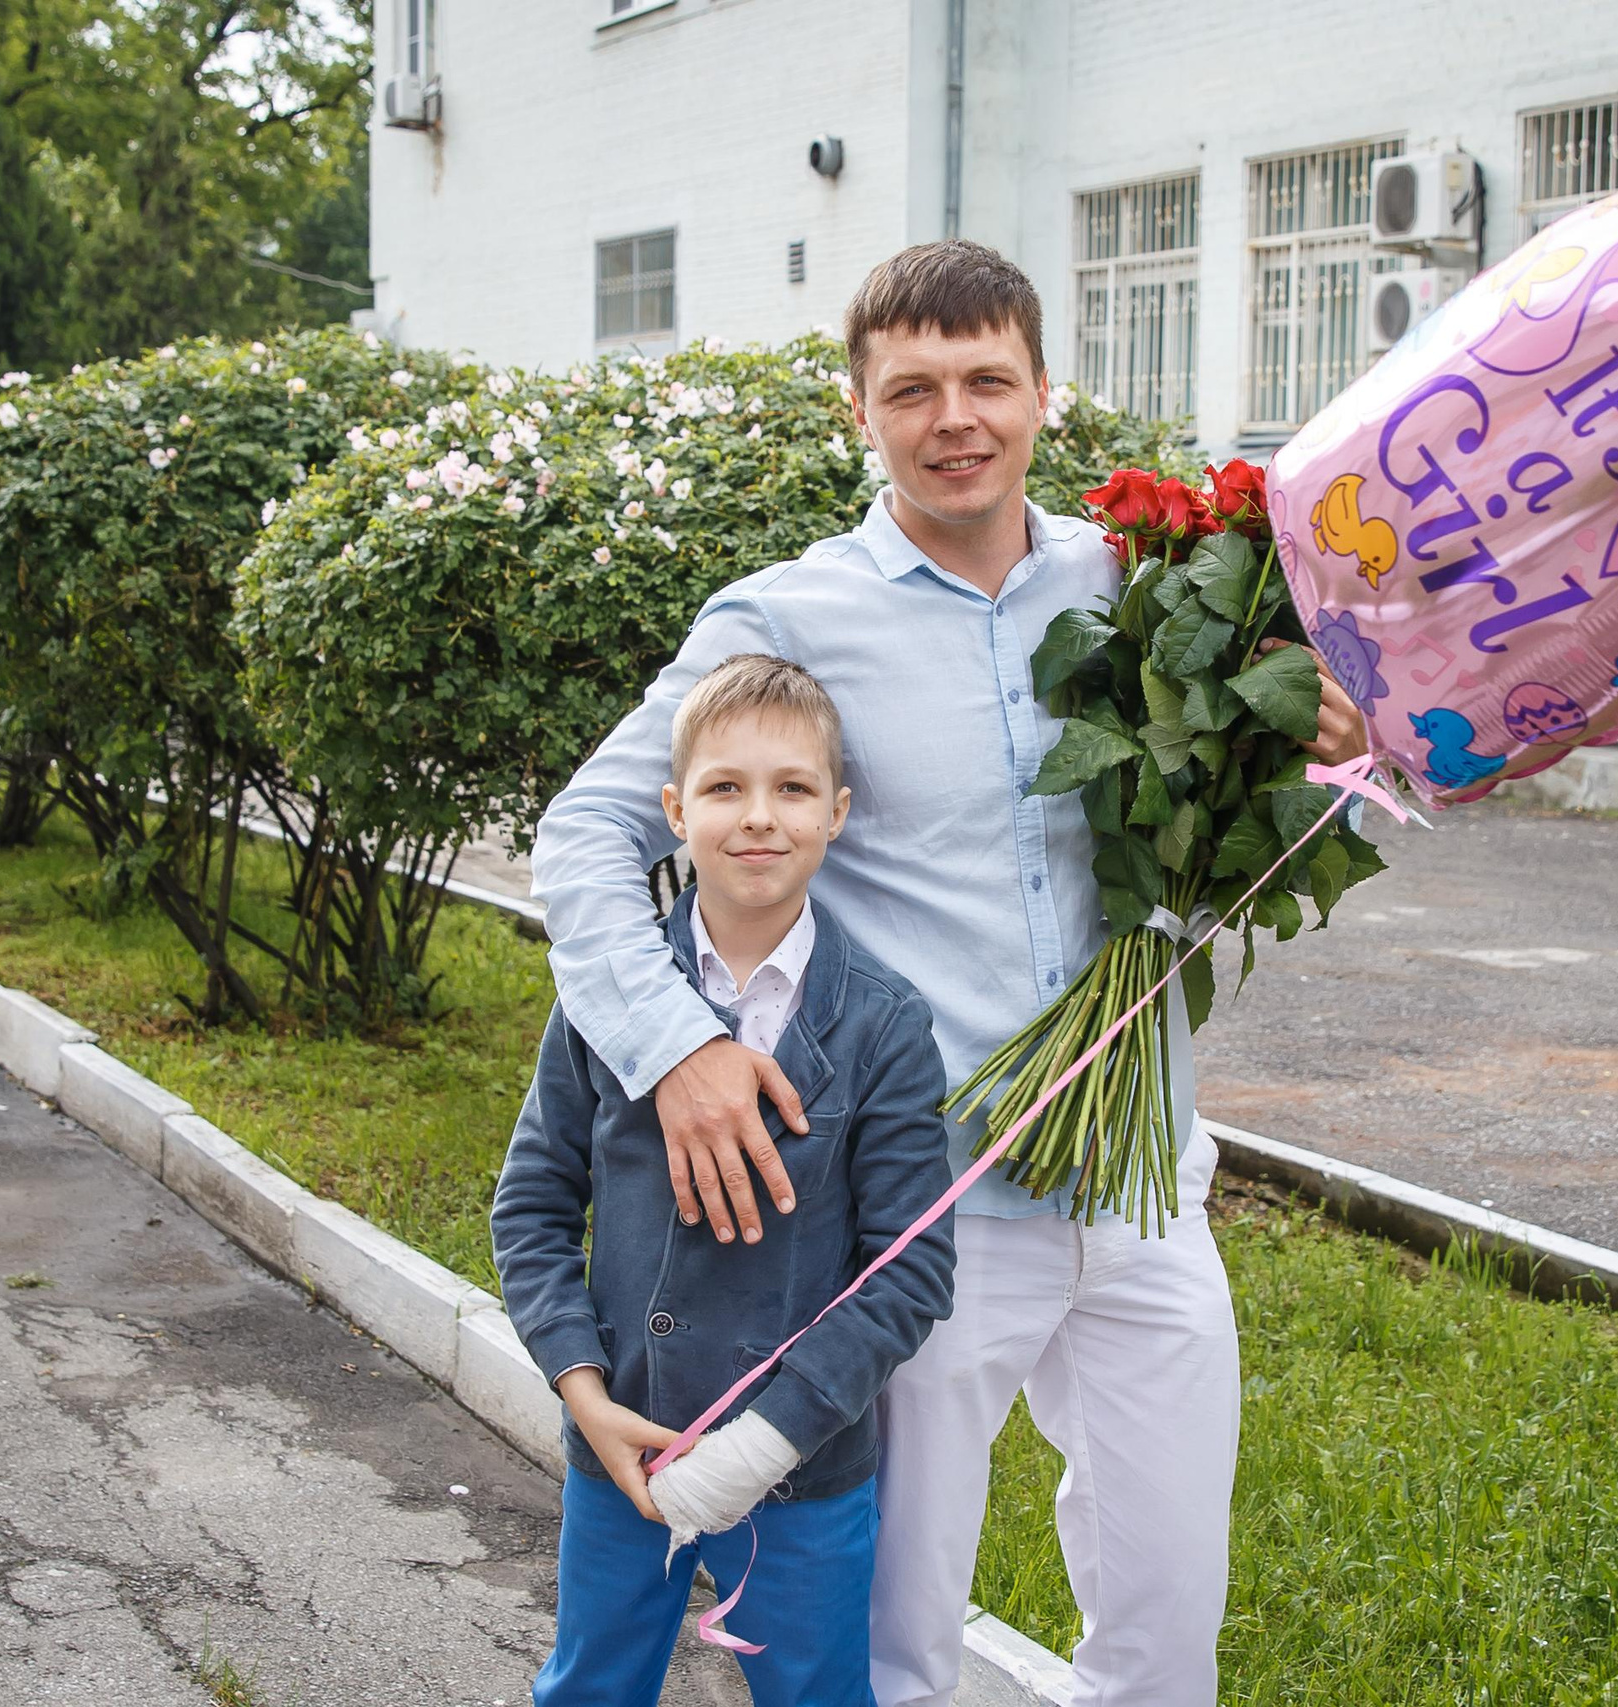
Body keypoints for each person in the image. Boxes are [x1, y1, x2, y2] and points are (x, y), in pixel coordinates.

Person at [530, 239, 1368, 1707]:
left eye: (987, 380)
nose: (955, 418)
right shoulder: (786, 617)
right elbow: (587, 832)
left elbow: (1237, 797)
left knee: (1171, 1623)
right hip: (926, 1211)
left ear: (1044, 391)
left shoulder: (1145, 585)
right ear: (860, 410)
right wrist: (678, 1046)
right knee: (894, 1642)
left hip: (1141, 1178)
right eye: (912, 388)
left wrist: (1325, 733)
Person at [494, 652, 958, 1707]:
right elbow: (530, 1207)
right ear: (673, 811)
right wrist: (584, 1393)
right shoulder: (605, 1001)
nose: (758, 817)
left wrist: (766, 1441)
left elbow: (910, 1267)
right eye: (723, 787)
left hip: (802, 1471)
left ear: (836, 812)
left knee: (816, 1694)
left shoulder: (885, 1023)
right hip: (624, 1447)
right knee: (590, 1690)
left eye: (792, 788)